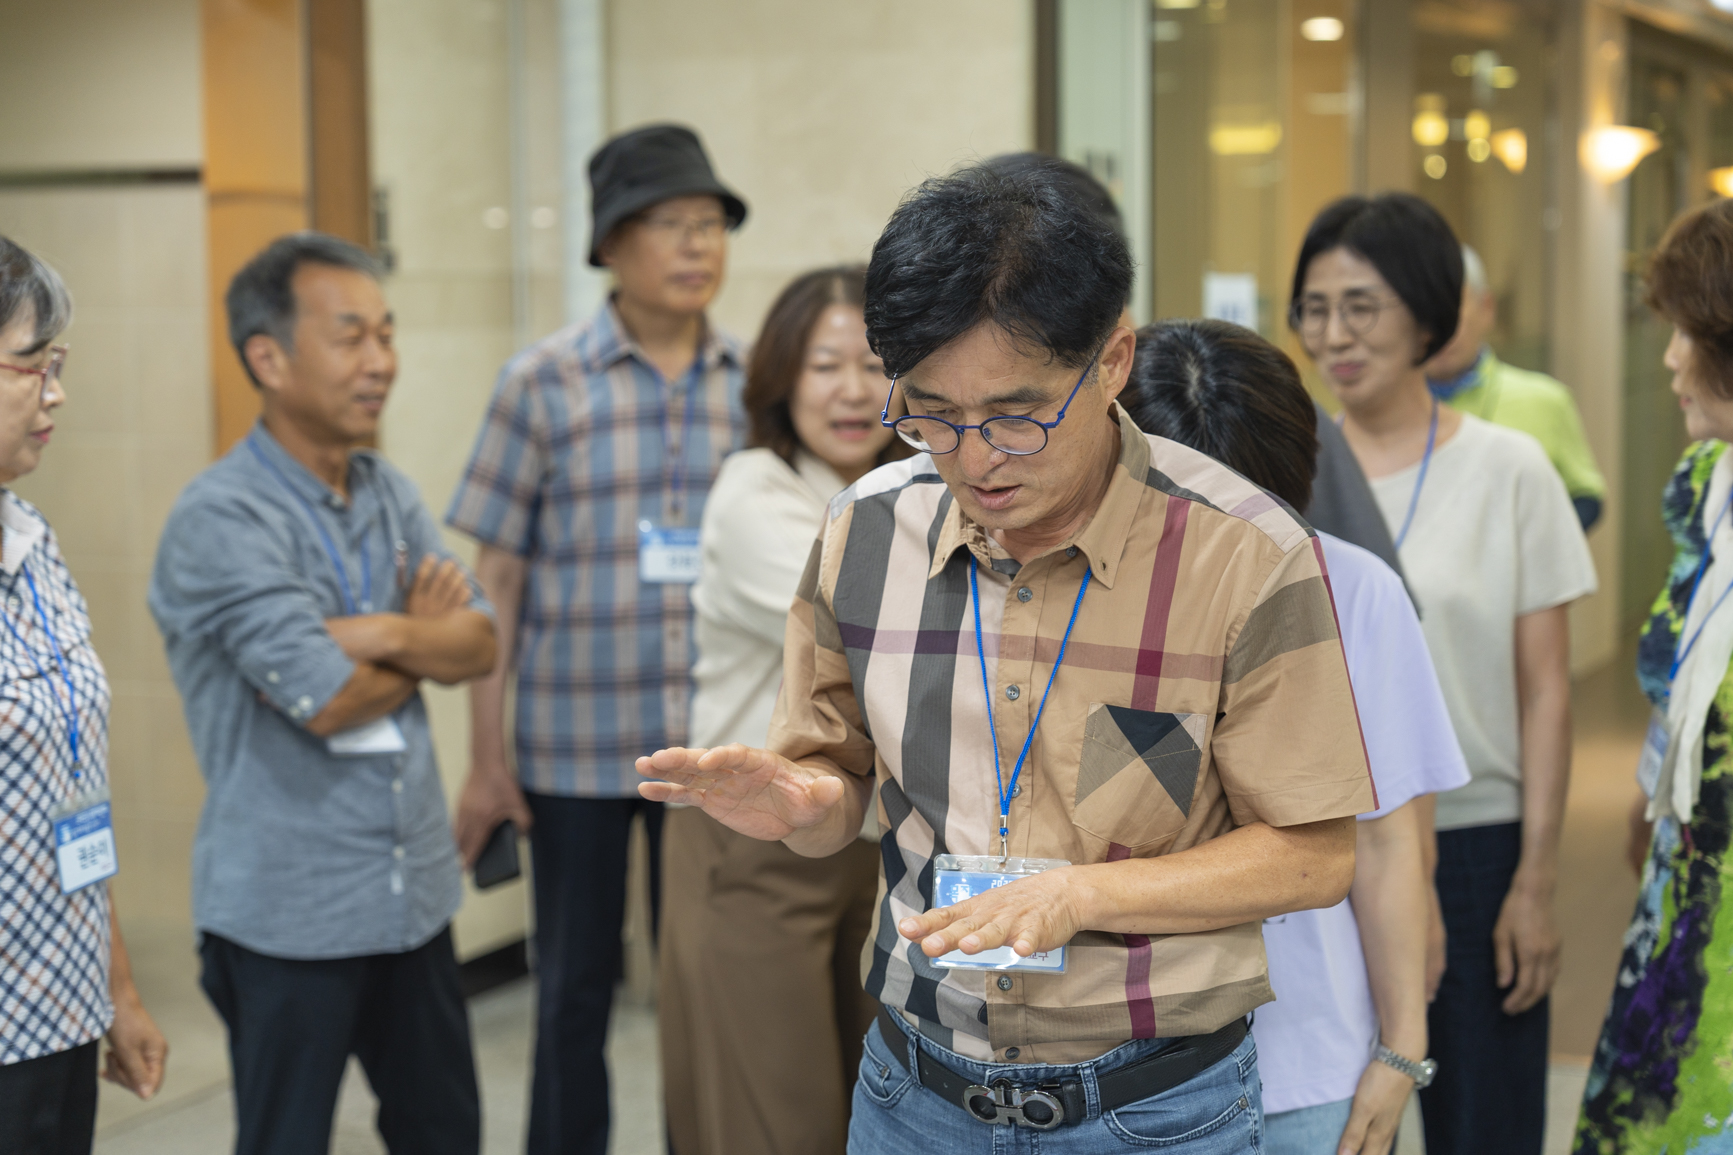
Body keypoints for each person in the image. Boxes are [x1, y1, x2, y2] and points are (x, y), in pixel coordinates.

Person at [638, 161, 1375, 1153]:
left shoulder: (1244, 555)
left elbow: (1314, 854)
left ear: (1111, 360)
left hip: (1153, 1111)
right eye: (931, 414)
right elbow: (836, 778)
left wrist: (1081, 895)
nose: (975, 457)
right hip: (914, 1095)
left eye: (1016, 415)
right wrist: (808, 804)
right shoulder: (865, 533)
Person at [149, 233, 496, 1155]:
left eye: (386, 333)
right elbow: (329, 698)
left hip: (412, 897)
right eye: (350, 337)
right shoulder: (221, 515)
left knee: (445, 1134)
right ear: (268, 358)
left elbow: (478, 640)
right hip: (286, 914)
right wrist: (416, 636)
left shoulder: (388, 490)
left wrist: (378, 633)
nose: (380, 360)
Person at [444, 123, 747, 1155]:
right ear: (612, 243)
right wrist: (486, 760)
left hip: (710, 750)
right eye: (670, 223)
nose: (696, 245)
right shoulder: (541, 381)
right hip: (571, 748)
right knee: (571, 989)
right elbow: (496, 582)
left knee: (703, 988)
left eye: (710, 223)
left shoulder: (752, 382)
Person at [1289, 194, 1597, 1155]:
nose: (1334, 336)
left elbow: (1545, 690)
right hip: (1336, 849)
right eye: (1314, 309)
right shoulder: (1286, 470)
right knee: (1343, 1124)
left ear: (1427, 314)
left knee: (1485, 1125)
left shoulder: (1512, 469)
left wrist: (1534, 879)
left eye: (1361, 306)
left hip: (1474, 847)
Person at [1122, 318, 1470, 1155]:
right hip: (1120, 1069)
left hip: (1310, 1063)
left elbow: (1386, 841)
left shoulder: (1355, 590)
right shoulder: (1074, 599)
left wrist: (1401, 1048)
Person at [661, 265, 906, 1155]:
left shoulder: (914, 485)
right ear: (779, 378)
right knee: (770, 1118)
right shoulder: (753, 489)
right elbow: (874, 630)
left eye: (873, 365)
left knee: (872, 1112)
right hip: (750, 841)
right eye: (824, 366)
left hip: (875, 845)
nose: (853, 391)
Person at [0, 236, 168, 1153]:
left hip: (60, 1008)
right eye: (34, 364)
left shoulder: (32, 542)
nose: (56, 393)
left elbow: (73, 794)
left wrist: (118, 991)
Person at [1575, 198, 1733, 1153]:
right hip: (1683, 887)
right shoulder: (1705, 484)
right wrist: (1650, 799)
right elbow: (1678, 683)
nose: (1670, 360)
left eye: (1687, 335)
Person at [1425, 245, 1607, 530]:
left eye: (1452, 308)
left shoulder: (1545, 400)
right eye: (1424, 311)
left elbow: (1587, 497)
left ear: (1486, 308)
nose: (1440, 328)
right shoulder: (1383, 413)